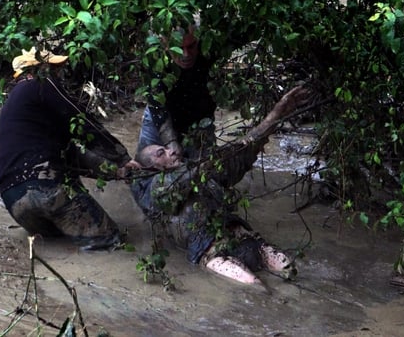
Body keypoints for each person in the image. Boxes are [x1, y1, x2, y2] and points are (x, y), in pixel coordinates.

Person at [131, 85, 312, 284]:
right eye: (161, 153)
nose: (171, 151)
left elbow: (243, 152)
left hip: (240, 233)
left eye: (166, 148)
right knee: (255, 285)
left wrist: (276, 114)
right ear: (151, 169)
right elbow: (187, 177)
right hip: (210, 251)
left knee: (292, 272)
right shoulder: (158, 187)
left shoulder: (202, 171)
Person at [0, 47, 141, 250]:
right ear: (40, 69)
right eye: (54, 68)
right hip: (45, 185)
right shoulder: (42, 83)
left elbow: (71, 155)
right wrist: (122, 158)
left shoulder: (16, 106)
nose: (58, 74)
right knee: (108, 243)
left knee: (59, 245)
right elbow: (82, 122)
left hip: (13, 200)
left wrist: (116, 172)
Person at [138, 23, 216, 158]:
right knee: (144, 170)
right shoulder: (154, 56)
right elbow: (156, 101)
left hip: (199, 119)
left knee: (208, 171)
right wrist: (170, 141)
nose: (185, 54)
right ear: (165, 44)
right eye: (179, 48)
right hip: (159, 115)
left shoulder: (209, 47)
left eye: (191, 46)